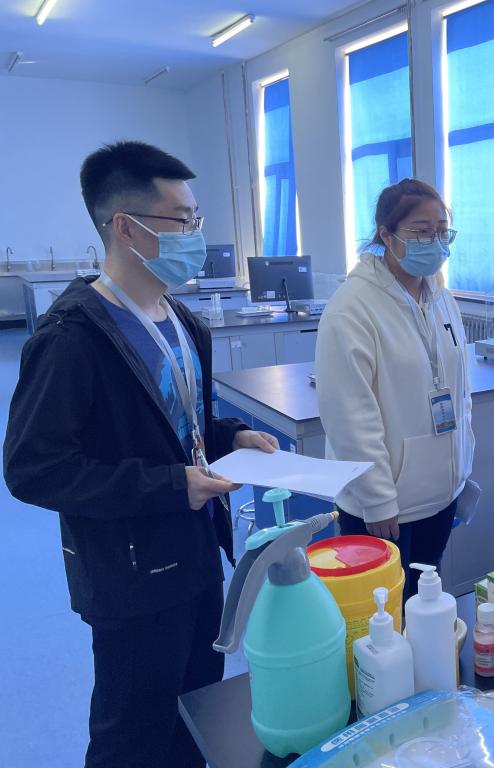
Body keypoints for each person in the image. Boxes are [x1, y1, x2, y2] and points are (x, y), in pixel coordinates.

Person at [3, 141, 279, 768]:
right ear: (126, 228)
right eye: (181, 220)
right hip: (132, 575)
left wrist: (231, 435)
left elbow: (177, 419)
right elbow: (33, 469)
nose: (195, 235)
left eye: (196, 218)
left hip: (197, 553)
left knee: (196, 714)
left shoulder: (179, 318)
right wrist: (170, 485)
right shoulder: (72, 337)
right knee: (131, 734)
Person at [316, 178, 476, 602]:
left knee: (424, 609)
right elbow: (349, 416)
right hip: (384, 509)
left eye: (442, 231)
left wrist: (461, 467)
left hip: (439, 497)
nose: (435, 242)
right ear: (386, 236)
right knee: (382, 618)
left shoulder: (441, 297)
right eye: (421, 232)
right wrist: (378, 499)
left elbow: (459, 391)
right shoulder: (352, 307)